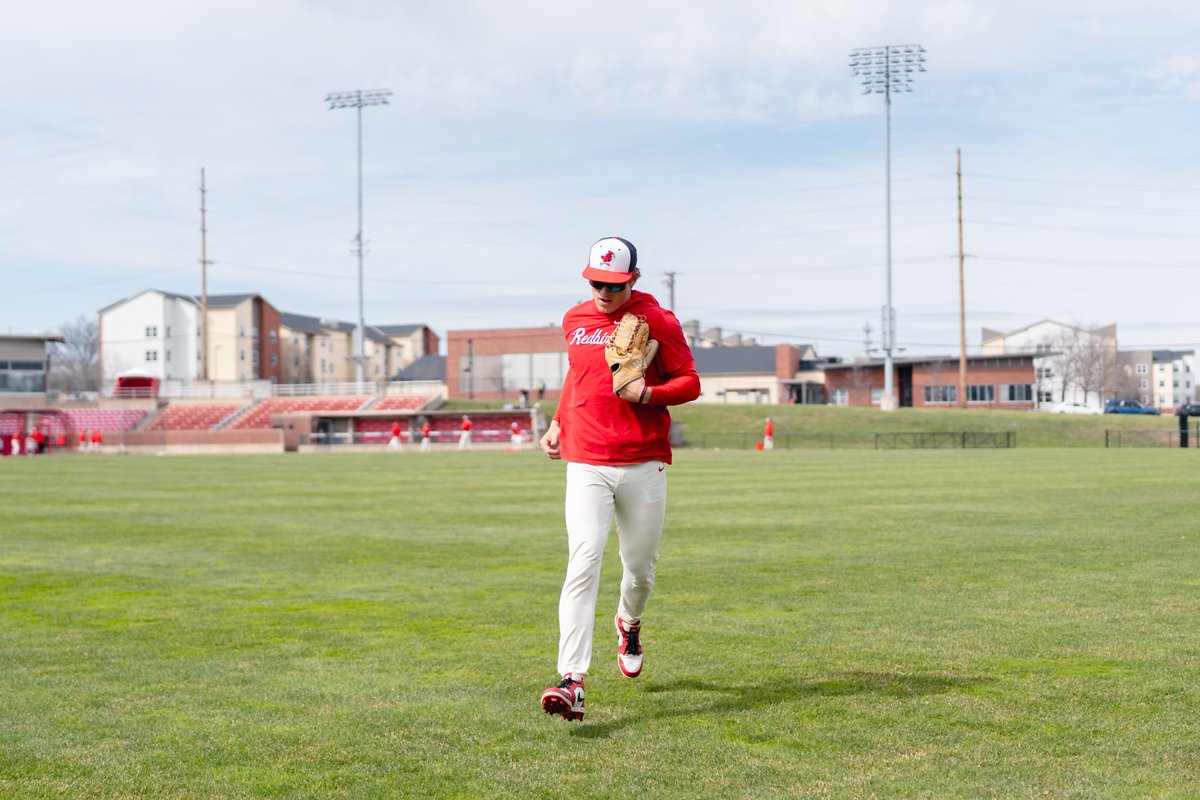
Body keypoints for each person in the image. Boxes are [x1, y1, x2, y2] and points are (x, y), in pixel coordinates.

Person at [538, 236, 700, 722]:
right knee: (583, 559)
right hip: (586, 457)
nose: (603, 293)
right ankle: (572, 680)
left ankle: (628, 622)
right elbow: (577, 376)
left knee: (640, 569)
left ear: (632, 279)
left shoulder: (660, 322)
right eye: (595, 283)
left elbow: (690, 382)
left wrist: (647, 393)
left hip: (642, 459)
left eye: (613, 284)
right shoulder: (575, 320)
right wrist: (557, 421)